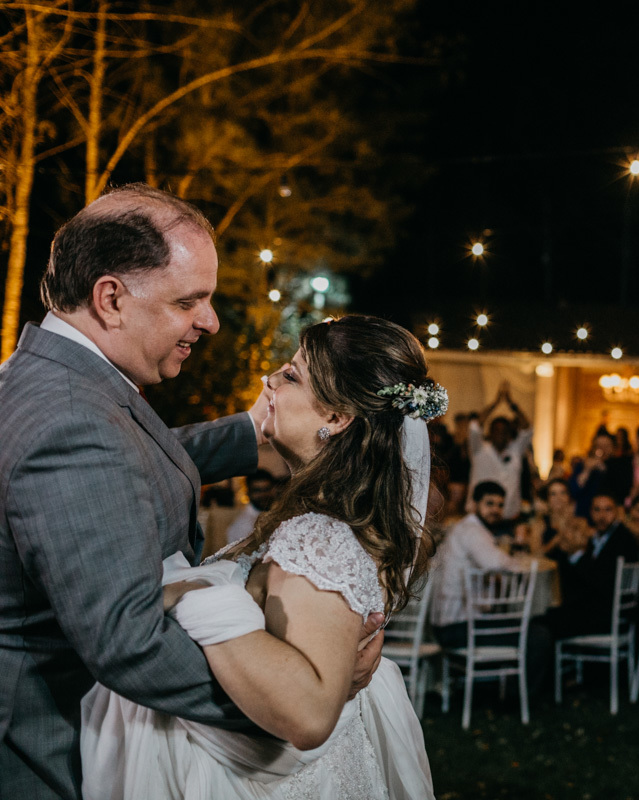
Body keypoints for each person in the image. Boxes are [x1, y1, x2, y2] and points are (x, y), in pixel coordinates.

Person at [0, 185, 383, 799]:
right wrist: (291, 702)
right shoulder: (71, 417)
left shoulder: (60, 380)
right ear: (111, 298)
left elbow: (124, 463)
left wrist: (249, 430)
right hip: (38, 751)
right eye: (189, 301)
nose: (210, 321)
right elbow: (128, 642)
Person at [80, 315, 439, 798]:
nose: (268, 381)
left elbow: (310, 713)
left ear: (336, 418)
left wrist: (193, 593)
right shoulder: (330, 520)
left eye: (291, 376)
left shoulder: (320, 536)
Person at [430, 481, 551, 695]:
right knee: (538, 634)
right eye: (489, 503)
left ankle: (501, 689)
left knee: (529, 629)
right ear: (474, 504)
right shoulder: (472, 531)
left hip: (452, 624)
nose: (495, 510)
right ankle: (518, 698)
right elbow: (496, 563)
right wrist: (521, 563)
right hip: (458, 627)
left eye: (499, 505)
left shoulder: (467, 528)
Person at [546, 492, 639, 640]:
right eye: (597, 510)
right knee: (549, 615)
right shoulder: (599, 537)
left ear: (617, 511)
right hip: (597, 609)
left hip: (607, 616)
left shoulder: (622, 539)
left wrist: (576, 555)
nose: (602, 515)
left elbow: (601, 580)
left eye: (607, 509)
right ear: (590, 512)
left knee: (543, 622)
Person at [467, 384, 534, 520]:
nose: (500, 435)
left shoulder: (515, 450)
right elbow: (474, 427)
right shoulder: (479, 450)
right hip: (479, 517)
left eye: (504, 432)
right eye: (496, 431)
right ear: (490, 432)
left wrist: (512, 404)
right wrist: (495, 403)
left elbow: (528, 429)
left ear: (509, 434)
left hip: (509, 516)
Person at [223, 470, 285, 547]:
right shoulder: (243, 524)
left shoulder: (280, 514)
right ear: (248, 493)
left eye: (266, 489)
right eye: (257, 491)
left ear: (274, 490)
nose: (263, 495)